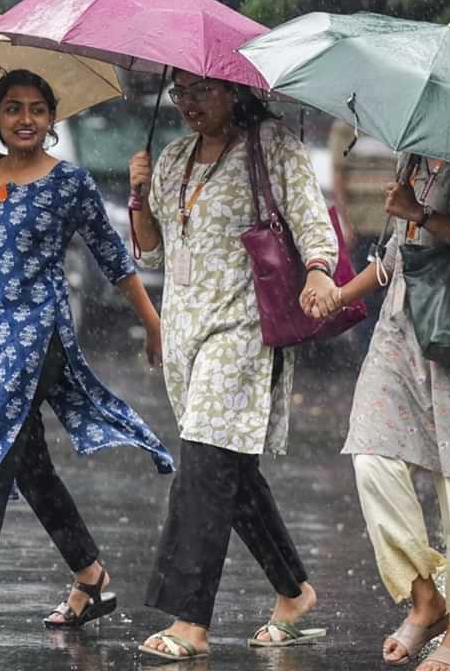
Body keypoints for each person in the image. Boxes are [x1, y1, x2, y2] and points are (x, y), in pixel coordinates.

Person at [0, 69, 174, 640]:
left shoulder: (70, 183)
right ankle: (91, 575)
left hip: (39, 337)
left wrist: (152, 324)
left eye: (36, 108)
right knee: (28, 465)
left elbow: (114, 257)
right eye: (13, 109)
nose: (25, 119)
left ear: (51, 119)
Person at [126, 70, 339, 661]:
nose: (189, 104)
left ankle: (190, 620)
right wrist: (139, 193)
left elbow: (311, 220)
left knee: (203, 466)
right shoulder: (173, 157)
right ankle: (294, 594)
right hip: (187, 333)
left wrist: (320, 270)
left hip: (245, 329)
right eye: (181, 93)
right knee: (229, 470)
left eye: (202, 91)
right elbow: (151, 249)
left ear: (233, 91)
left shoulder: (271, 145)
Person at [306, 156, 450, 671]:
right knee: (371, 457)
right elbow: (394, 256)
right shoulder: (413, 159)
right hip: (401, 335)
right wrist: (339, 295)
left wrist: (424, 216)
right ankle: (426, 598)